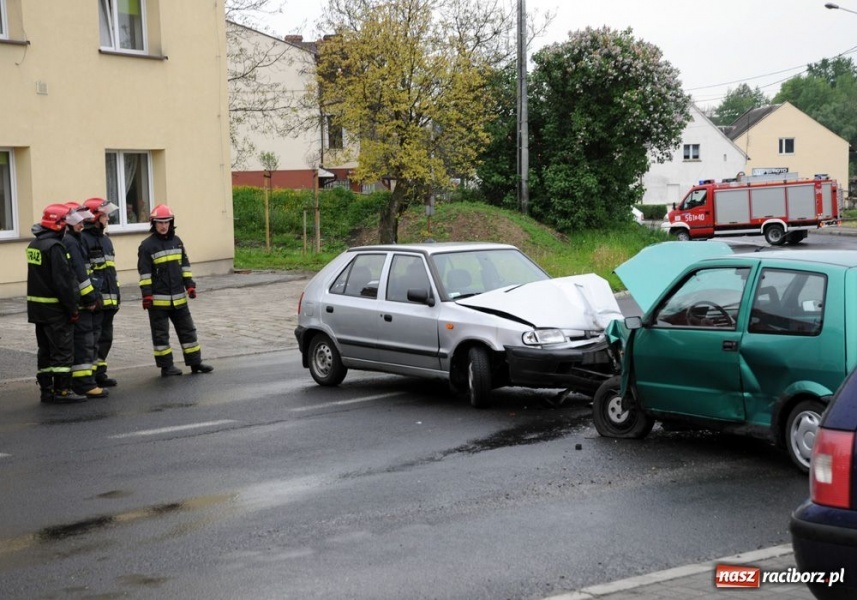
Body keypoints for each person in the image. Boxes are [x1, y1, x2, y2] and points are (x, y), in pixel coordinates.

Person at [137, 204, 213, 377]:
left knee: (188, 330)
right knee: (161, 335)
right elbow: (145, 273)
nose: (164, 226)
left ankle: (195, 362)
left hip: (179, 299)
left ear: (171, 223)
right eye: (160, 222)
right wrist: (147, 295)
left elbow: (185, 266)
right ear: (153, 224)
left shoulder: (177, 241)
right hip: (158, 301)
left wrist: (190, 285)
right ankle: (166, 367)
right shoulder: (147, 246)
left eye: (167, 222)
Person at [27, 204, 85, 403]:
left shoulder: (35, 245)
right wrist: (72, 309)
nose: (67, 225)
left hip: (37, 309)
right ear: (57, 223)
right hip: (55, 310)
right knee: (62, 350)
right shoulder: (55, 247)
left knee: (44, 350)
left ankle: (46, 389)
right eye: (64, 222)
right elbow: (63, 283)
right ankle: (63, 391)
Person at [62, 202, 108, 399]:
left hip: (82, 299)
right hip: (82, 302)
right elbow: (80, 273)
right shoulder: (71, 241)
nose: (83, 223)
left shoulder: (75, 238)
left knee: (87, 341)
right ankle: (84, 384)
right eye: (79, 221)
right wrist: (90, 297)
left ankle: (85, 381)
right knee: (84, 342)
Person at [82, 197, 122, 387]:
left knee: (106, 338)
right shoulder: (83, 240)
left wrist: (116, 296)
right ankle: (89, 377)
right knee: (93, 339)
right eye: (104, 215)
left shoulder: (106, 241)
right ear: (95, 217)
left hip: (109, 301)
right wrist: (92, 297)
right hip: (95, 302)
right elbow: (84, 272)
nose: (107, 219)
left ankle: (100, 373)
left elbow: (110, 271)